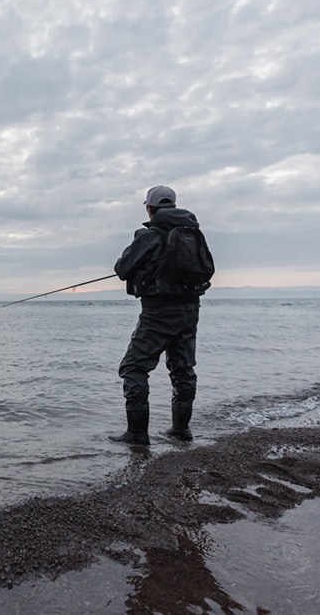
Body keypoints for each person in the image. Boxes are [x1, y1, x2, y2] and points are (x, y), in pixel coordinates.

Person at [110, 185, 204, 444]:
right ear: (172, 206)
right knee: (183, 368)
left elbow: (122, 268)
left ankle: (137, 434)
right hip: (190, 310)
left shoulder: (148, 236)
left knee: (133, 367)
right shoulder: (193, 233)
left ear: (149, 209)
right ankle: (181, 430)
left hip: (157, 313)